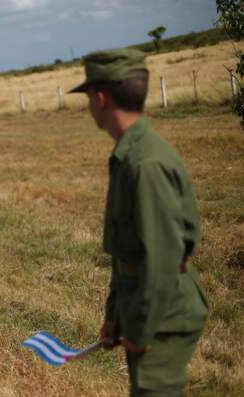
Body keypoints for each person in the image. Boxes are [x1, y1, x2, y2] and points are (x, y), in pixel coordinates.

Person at [69, 49, 208, 396]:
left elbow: (161, 258)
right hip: (143, 304)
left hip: (163, 312)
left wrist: (140, 327)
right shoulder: (129, 153)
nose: (89, 106)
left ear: (100, 98)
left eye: (88, 97)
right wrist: (115, 314)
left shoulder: (144, 164)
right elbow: (128, 252)